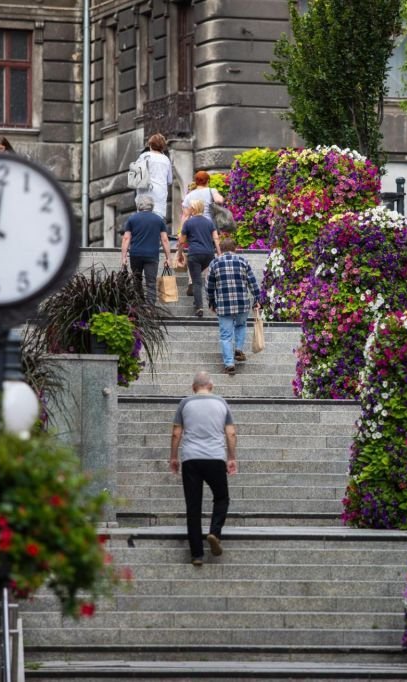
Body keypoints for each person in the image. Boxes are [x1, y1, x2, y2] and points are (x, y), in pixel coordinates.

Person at [170, 370, 238, 567]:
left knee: (193, 506)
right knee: (222, 498)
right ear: (211, 386)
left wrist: (174, 457)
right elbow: (231, 433)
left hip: (191, 459)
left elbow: (176, 433)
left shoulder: (185, 403)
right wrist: (231, 458)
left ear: (193, 388)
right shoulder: (221, 402)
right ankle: (214, 532)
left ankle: (197, 555)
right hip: (215, 458)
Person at [207, 237, 260, 376]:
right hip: (242, 303)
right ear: (234, 248)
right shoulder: (243, 261)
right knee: (241, 325)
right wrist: (257, 298)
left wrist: (211, 302)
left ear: (221, 249)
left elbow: (209, 286)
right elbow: (252, 282)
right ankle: (239, 348)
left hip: (224, 305)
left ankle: (229, 364)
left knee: (225, 335)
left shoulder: (214, 263)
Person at [120, 195, 173, 302]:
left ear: (138, 206)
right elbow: (165, 240)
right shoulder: (159, 220)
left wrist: (123, 257)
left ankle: (139, 304)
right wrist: (169, 258)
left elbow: (126, 238)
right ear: (152, 206)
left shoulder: (132, 219)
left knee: (136, 280)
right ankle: (150, 308)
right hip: (152, 255)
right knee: (151, 282)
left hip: (136, 254)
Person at [177, 199, 220, 318]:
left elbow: (181, 241)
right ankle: (213, 303)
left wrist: (180, 254)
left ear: (194, 209)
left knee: (196, 282)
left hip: (194, 254)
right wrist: (220, 254)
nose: (189, 209)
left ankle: (199, 306)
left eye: (190, 207)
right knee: (210, 280)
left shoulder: (188, 223)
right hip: (209, 255)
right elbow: (216, 239)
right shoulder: (209, 222)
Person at [133, 133, 174, 223]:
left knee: (143, 225)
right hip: (160, 198)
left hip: (144, 197)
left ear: (150, 144)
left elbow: (135, 177)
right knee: (158, 225)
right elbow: (170, 180)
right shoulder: (166, 160)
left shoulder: (144, 156)